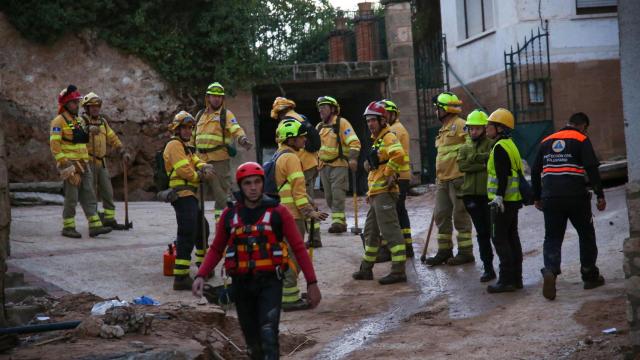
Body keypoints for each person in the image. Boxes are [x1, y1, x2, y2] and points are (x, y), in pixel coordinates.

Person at [193, 162, 321, 360]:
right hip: (242, 284)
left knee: (269, 334)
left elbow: (298, 248)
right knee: (253, 342)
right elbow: (217, 248)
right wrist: (201, 274)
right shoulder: (230, 215)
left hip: (270, 282)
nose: (253, 187)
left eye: (257, 182)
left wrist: (312, 283)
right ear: (240, 186)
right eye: (247, 183)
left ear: (263, 184)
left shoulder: (279, 213)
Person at [531, 112, 606, 300]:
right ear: (583, 126)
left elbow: (534, 170)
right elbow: (591, 168)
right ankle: (589, 275)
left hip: (550, 197)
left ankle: (550, 270)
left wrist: (537, 197)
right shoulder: (581, 139)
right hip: (576, 197)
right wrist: (599, 195)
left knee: (553, 237)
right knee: (586, 234)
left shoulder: (547, 140)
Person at [273, 119, 328, 311]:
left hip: (282, 214)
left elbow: (294, 188)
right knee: (293, 255)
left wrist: (311, 203)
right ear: (291, 139)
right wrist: (309, 212)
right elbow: (297, 191)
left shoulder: (279, 156)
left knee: (285, 253)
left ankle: (288, 292)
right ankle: (289, 298)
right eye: (301, 137)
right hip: (293, 216)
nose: (305, 140)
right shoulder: (292, 159)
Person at [352, 101, 408, 285]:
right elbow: (378, 163)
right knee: (370, 231)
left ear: (383, 120)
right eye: (368, 121)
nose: (370, 124)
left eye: (373, 121)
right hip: (376, 192)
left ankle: (399, 271)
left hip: (384, 192)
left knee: (390, 231)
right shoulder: (378, 141)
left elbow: (398, 155)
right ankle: (366, 269)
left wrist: (388, 173)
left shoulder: (389, 137)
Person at [49, 85, 112, 238]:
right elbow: (55, 146)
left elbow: (82, 134)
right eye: (72, 103)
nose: (76, 105)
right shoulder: (58, 122)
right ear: (65, 104)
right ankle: (68, 227)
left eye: (77, 102)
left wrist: (91, 130)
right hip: (70, 165)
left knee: (89, 194)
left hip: (84, 164)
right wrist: (66, 165)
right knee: (72, 197)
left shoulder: (78, 120)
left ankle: (95, 225)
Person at [163, 111, 215, 290]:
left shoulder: (186, 147)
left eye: (190, 128)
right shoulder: (174, 145)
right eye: (184, 128)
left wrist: (204, 166)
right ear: (177, 129)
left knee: (202, 228)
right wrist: (198, 176)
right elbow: (183, 169)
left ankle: (203, 267)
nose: (187, 131)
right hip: (182, 194)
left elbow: (195, 160)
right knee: (188, 232)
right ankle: (181, 276)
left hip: (190, 194)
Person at [424, 92, 474, 266]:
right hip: (443, 181)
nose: (435, 112)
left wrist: (462, 165)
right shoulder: (443, 129)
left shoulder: (461, 125)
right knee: (441, 215)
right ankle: (444, 251)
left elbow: (471, 147)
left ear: (444, 109)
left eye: (437, 108)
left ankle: (466, 252)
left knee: (460, 215)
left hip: (458, 179)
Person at [193, 82, 253, 222]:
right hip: (200, 161)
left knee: (221, 198)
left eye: (219, 97)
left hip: (219, 161)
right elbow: (192, 136)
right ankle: (198, 228)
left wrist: (242, 139)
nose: (216, 99)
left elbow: (236, 129)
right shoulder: (200, 115)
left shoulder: (226, 114)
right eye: (214, 96)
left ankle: (221, 227)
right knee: (196, 197)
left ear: (223, 99)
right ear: (208, 97)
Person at [271, 97, 323, 247]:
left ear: (279, 112)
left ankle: (314, 238)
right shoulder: (300, 117)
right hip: (311, 162)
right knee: (308, 197)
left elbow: (282, 144)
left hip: (301, 164)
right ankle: (314, 236)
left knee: (301, 197)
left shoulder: (286, 123)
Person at [485, 108, 524, 293]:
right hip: (513, 201)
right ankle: (517, 278)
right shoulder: (510, 144)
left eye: (490, 125)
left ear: (500, 128)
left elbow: (502, 175)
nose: (487, 129)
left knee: (499, 239)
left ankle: (506, 280)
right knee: (512, 238)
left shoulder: (499, 147)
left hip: (502, 202)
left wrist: (498, 196)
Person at [80, 92, 132, 230]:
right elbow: (76, 135)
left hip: (101, 162)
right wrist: (87, 130)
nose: (95, 109)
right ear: (86, 108)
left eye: (97, 106)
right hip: (88, 162)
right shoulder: (81, 121)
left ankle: (109, 219)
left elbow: (112, 137)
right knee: (90, 193)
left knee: (108, 192)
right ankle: (94, 222)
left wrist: (122, 151)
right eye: (92, 106)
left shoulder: (103, 122)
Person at [457, 109, 496, 282]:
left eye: (477, 129)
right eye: (471, 129)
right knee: (481, 234)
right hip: (470, 196)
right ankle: (488, 269)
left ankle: (503, 267)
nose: (474, 132)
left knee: (493, 233)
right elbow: (463, 167)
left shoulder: (491, 144)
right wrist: (480, 161)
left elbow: (490, 161)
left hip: (486, 195)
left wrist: (473, 159)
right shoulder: (464, 146)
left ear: (484, 128)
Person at [316, 96, 361, 233]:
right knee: (329, 197)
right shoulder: (319, 127)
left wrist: (353, 159)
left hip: (339, 165)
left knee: (337, 194)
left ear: (333, 109)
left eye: (324, 107)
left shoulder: (342, 123)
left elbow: (354, 142)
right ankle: (340, 220)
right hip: (323, 167)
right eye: (320, 107)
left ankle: (339, 223)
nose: (321, 110)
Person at [381, 99, 414, 257]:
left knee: (393, 212)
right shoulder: (395, 128)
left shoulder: (393, 131)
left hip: (397, 176)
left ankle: (395, 248)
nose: (384, 116)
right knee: (400, 211)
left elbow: (392, 156)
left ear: (393, 114)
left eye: (386, 113)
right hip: (401, 175)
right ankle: (407, 246)